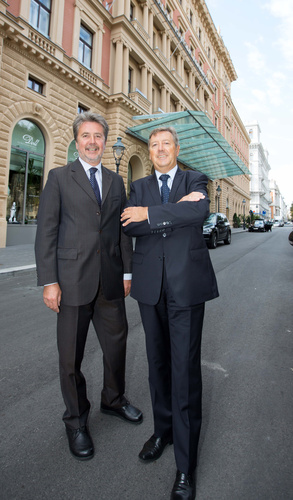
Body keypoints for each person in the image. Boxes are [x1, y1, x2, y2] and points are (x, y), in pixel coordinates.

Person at [35, 111, 142, 461]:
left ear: (105, 140)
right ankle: (76, 421)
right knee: (71, 358)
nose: (93, 141)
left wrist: (127, 273)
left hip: (110, 282)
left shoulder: (116, 181)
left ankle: (113, 400)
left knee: (116, 349)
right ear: (76, 140)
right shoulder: (58, 178)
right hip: (71, 284)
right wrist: (49, 281)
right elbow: (46, 232)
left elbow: (123, 230)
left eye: (98, 136)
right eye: (86, 136)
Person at [121, 126, 219, 499]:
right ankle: (162, 430)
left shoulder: (196, 178)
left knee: (185, 370)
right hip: (150, 288)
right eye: (155, 145)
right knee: (157, 364)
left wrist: (152, 214)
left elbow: (199, 211)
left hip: (186, 288)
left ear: (177, 149)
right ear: (150, 151)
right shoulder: (139, 186)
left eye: (166, 144)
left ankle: (185, 465)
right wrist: (170, 211)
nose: (160, 149)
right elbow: (131, 225)